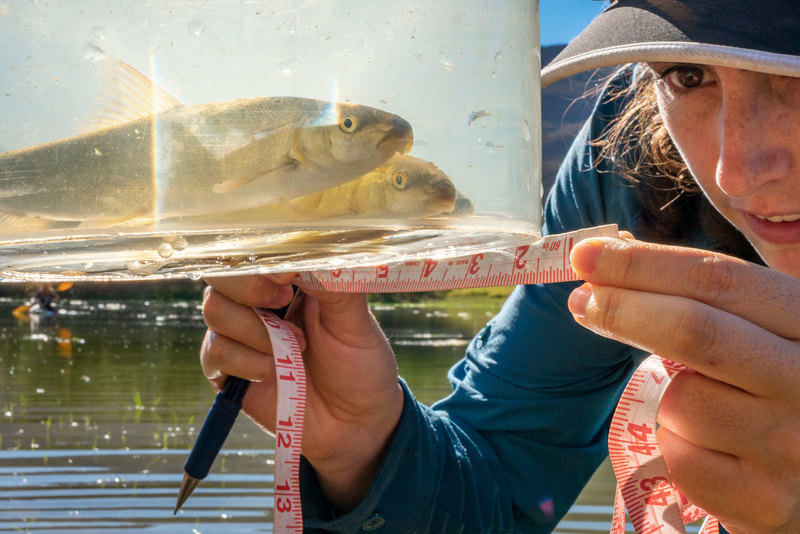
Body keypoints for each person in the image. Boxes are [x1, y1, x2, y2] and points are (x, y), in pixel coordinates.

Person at [199, 2, 800, 532]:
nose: (736, 173)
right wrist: (366, 448)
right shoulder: (626, 165)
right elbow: (500, 491)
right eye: (688, 75)